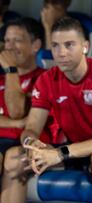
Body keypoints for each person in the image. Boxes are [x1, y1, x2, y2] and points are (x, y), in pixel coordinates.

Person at [1, 17, 92, 203]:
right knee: (14, 157)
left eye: (69, 45)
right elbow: (31, 128)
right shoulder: (47, 80)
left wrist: (59, 154)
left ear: (85, 47)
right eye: (55, 46)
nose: (61, 52)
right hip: (73, 149)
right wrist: (32, 144)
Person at [0, 17, 52, 182]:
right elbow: (18, 120)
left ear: (35, 46)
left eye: (17, 41)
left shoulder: (45, 78)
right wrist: (16, 123)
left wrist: (11, 70)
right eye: (7, 41)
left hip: (20, 143)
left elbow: (17, 112)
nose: (9, 47)